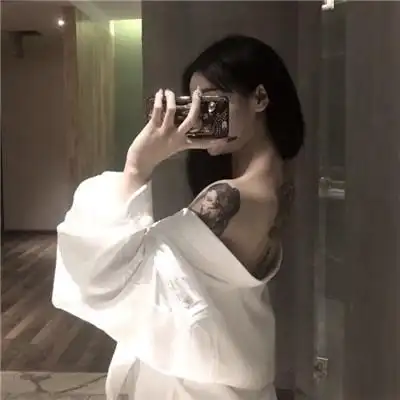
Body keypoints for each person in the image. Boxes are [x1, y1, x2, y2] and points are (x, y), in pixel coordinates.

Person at [52, 34, 304, 400]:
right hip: (233, 358)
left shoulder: (227, 198)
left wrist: (137, 167)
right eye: (193, 102)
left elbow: (110, 275)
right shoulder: (282, 186)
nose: (199, 114)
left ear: (260, 98)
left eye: (212, 101)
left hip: (195, 382)